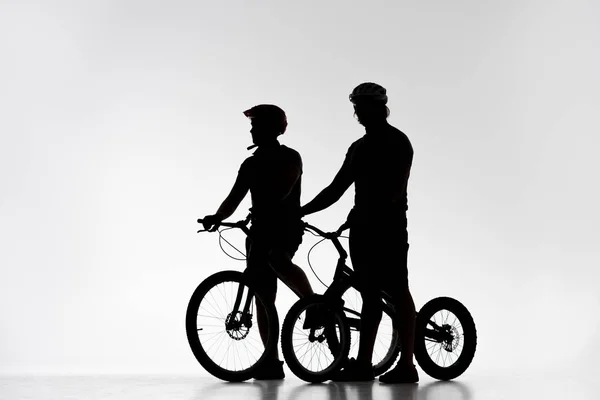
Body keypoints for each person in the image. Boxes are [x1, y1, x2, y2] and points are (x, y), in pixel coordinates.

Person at [300, 83, 419, 383]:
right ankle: (363, 365)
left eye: (362, 106)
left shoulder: (398, 142)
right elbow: (336, 189)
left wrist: (365, 212)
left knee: (397, 289)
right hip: (362, 229)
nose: (357, 112)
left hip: (389, 228)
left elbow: (395, 190)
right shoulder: (358, 148)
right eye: (356, 106)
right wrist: (300, 211)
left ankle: (407, 365)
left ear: (379, 107)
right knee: (368, 295)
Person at [201, 104, 315, 380]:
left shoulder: (290, 157)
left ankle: (313, 306)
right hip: (260, 232)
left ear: (274, 129)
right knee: (264, 298)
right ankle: (270, 360)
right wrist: (217, 216)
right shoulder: (251, 163)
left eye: (257, 126)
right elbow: (234, 197)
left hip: (285, 228)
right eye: (252, 126)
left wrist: (264, 206)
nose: (252, 130)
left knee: (278, 259)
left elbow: (283, 190)